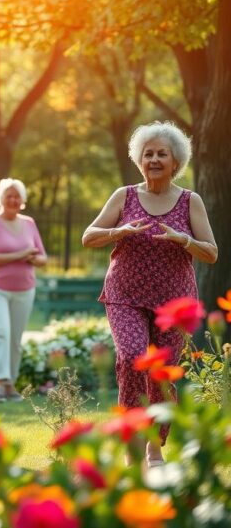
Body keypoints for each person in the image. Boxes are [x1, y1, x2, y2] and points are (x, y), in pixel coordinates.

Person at [82, 121, 217, 467]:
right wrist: (119, 230)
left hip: (174, 303)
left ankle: (154, 447)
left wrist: (183, 239)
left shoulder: (190, 201)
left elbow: (211, 252)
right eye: (148, 154)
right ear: (139, 160)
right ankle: (131, 445)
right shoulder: (124, 196)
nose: (154, 159)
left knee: (161, 372)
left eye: (162, 153)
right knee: (131, 358)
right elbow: (88, 236)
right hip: (125, 294)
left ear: (176, 161)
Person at [0, 178, 47, 402]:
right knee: (1, 332)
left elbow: (42, 256)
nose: (13, 199)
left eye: (17, 195)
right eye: (9, 195)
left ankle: (10, 384)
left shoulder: (29, 223)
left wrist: (34, 258)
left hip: (24, 289)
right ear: (0, 198)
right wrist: (21, 255)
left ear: (22, 200)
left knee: (15, 339)